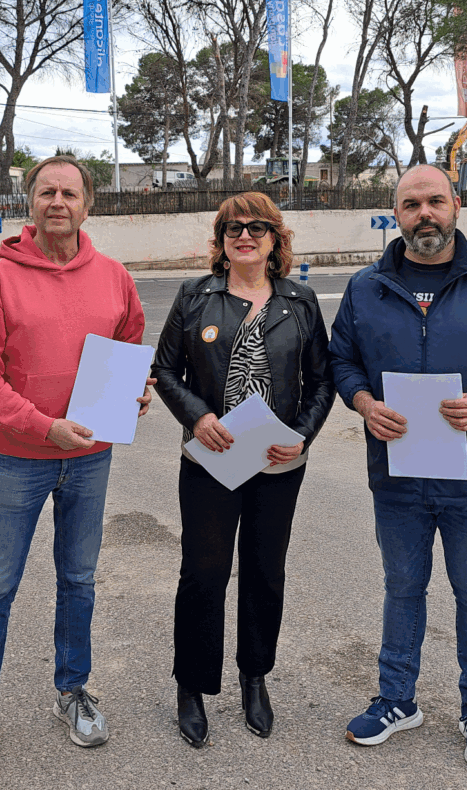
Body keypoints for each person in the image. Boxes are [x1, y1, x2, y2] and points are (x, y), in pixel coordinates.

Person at [327, 164, 467, 771]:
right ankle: (397, 700)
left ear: (457, 204)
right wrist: (364, 404)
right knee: (402, 588)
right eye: (410, 204)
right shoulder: (367, 287)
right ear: (394, 214)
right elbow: (341, 360)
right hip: (398, 475)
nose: (423, 214)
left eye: (434, 201)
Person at [0, 155, 154, 775]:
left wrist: (135, 393)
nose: (57, 201)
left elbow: (128, 349)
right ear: (28, 203)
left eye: (69, 192)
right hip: (19, 458)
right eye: (45, 192)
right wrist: (44, 427)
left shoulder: (114, 277)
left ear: (88, 205)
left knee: (78, 581)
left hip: (90, 460)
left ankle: (73, 691)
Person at [152, 192, 335, 747]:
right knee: (203, 573)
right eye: (233, 228)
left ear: (276, 238)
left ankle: (255, 678)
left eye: (257, 227)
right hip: (210, 459)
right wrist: (197, 415)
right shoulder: (195, 297)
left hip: (278, 464)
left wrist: (302, 434)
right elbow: (165, 369)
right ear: (221, 240)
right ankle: (192, 686)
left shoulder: (300, 302)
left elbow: (323, 381)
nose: (244, 235)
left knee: (263, 572)